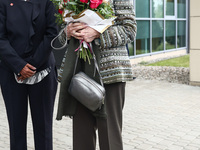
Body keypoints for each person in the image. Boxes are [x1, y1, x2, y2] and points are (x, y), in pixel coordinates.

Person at [56, 0, 137, 149]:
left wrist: (97, 33)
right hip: (79, 72)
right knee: (82, 137)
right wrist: (67, 32)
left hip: (110, 73)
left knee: (109, 136)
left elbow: (129, 29)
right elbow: (62, 31)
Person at [0, 0, 58, 149]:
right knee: (16, 128)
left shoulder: (48, 2)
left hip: (43, 71)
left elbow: (52, 33)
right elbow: (1, 38)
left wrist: (32, 65)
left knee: (44, 128)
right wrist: (19, 66)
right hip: (11, 71)